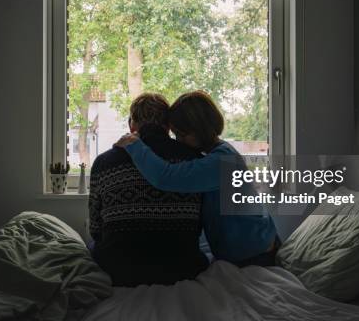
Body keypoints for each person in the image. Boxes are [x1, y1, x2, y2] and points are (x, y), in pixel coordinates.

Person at [115, 90, 280, 267]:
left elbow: (165, 176)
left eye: (181, 134)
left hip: (257, 253)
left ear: (199, 130)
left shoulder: (221, 162)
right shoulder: (217, 154)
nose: (178, 140)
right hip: (248, 248)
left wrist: (134, 144)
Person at [89, 93, 208, 287]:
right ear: (168, 126)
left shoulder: (104, 163)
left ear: (131, 125)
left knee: (91, 247)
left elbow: (96, 229)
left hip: (118, 270)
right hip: (182, 268)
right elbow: (202, 222)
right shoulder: (194, 159)